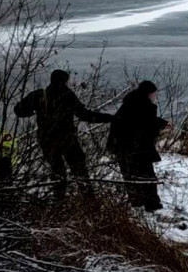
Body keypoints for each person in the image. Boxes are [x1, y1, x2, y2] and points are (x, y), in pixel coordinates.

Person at [14, 70, 113, 198]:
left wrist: (33, 110)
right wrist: (109, 118)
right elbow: (85, 115)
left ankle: (59, 204)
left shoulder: (39, 94)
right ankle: (90, 203)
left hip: (47, 141)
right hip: (68, 140)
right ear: (65, 81)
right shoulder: (67, 95)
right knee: (80, 171)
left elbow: (18, 110)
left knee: (58, 174)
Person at [107, 81, 168, 212]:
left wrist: (162, 122)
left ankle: (136, 202)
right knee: (147, 176)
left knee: (129, 175)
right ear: (149, 93)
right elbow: (147, 127)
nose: (154, 96)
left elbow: (137, 120)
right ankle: (152, 204)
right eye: (153, 93)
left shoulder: (129, 102)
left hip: (121, 146)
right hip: (138, 147)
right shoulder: (147, 106)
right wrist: (161, 127)